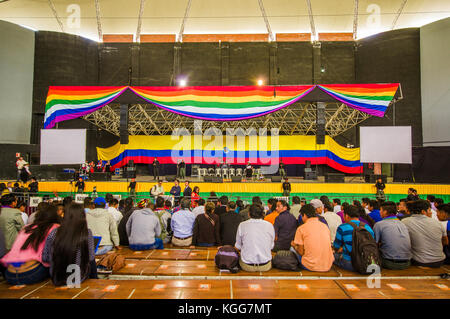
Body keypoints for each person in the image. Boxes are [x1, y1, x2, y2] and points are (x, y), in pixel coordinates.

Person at [0, 204, 60, 285]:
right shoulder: (55, 227)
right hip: (31, 274)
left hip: (9, 274)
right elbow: (50, 256)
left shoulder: (27, 227)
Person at [42, 203, 97, 286]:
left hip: (57, 278)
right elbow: (91, 257)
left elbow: (45, 258)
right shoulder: (86, 233)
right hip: (78, 278)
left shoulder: (54, 232)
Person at [402, 200, 447, 268]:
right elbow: (445, 242)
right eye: (429, 210)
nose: (431, 213)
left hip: (419, 261)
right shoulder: (438, 223)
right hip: (439, 261)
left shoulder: (405, 222)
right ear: (423, 211)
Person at [290, 204, 334, 271]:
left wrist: (294, 246)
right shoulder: (324, 226)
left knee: (291, 249)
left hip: (310, 265)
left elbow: (301, 252)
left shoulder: (301, 228)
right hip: (327, 265)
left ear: (304, 215)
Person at [333, 205, 375, 272]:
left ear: (346, 216)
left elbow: (336, 246)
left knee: (333, 256)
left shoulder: (342, 227)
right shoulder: (368, 227)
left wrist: (342, 248)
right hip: (366, 263)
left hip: (349, 263)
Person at [235, 204, 274, 272]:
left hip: (247, 265)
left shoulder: (242, 225)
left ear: (249, 214)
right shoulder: (269, 225)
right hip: (265, 265)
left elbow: (238, 246)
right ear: (263, 214)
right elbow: (271, 246)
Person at [373, 201, 412, 270]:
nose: (380, 212)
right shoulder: (403, 223)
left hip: (389, 263)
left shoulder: (379, 224)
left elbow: (374, 244)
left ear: (385, 212)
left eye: (381, 210)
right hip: (407, 263)